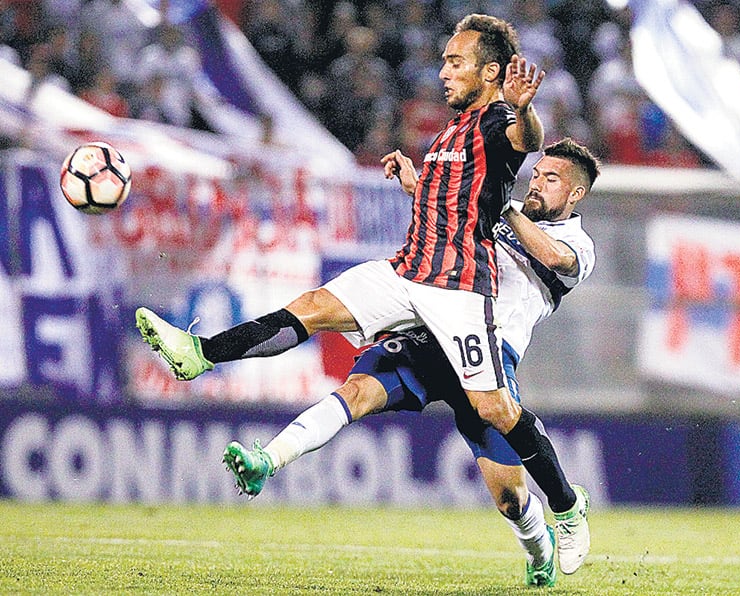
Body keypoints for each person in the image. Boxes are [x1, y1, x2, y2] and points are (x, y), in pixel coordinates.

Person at [136, 11, 574, 568]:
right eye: (443, 60)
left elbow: (523, 140)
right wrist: (417, 181)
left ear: (490, 72)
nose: (443, 71)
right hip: (407, 274)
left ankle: (560, 511)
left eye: (455, 62)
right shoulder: (451, 131)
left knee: (502, 452)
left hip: (457, 296)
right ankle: (200, 355)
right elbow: (453, 202)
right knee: (315, 309)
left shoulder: (498, 122)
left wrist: (526, 108)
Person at [223, 138, 600, 585]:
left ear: (575, 194)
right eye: (535, 174)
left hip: (489, 359)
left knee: (510, 500)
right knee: (357, 391)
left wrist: (504, 209)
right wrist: (415, 185)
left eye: (550, 179)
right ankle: (268, 459)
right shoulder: (502, 207)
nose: (536, 183)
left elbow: (555, 257)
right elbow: (449, 214)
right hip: (433, 335)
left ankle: (543, 542)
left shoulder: (576, 242)